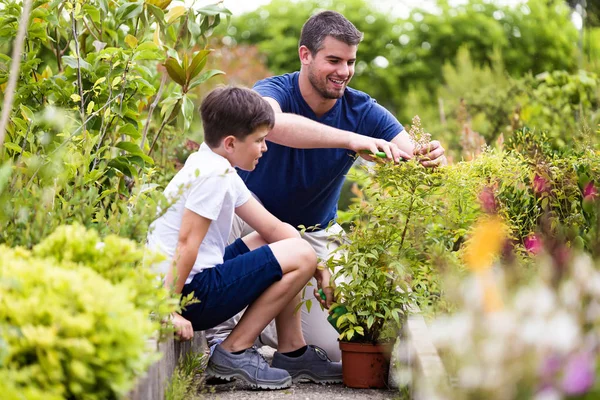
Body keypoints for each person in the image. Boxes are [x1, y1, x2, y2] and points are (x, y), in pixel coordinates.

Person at [207, 11, 447, 362]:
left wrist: (432, 159)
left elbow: (409, 155)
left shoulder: (364, 110)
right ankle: (225, 341)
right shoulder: (275, 91)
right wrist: (352, 140)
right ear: (305, 55)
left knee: (335, 350)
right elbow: (271, 124)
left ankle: (273, 332)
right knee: (223, 198)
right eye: (333, 60)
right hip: (250, 222)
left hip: (314, 233)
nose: (344, 71)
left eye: (350, 62)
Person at [146, 86, 343, 389]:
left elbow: (275, 229)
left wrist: (320, 270)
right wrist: (168, 308)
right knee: (300, 255)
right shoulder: (212, 176)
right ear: (230, 143)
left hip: (195, 279)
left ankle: (292, 350)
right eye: (260, 140)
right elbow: (186, 243)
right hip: (189, 294)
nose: (265, 148)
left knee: (285, 245)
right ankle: (233, 350)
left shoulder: (217, 165)